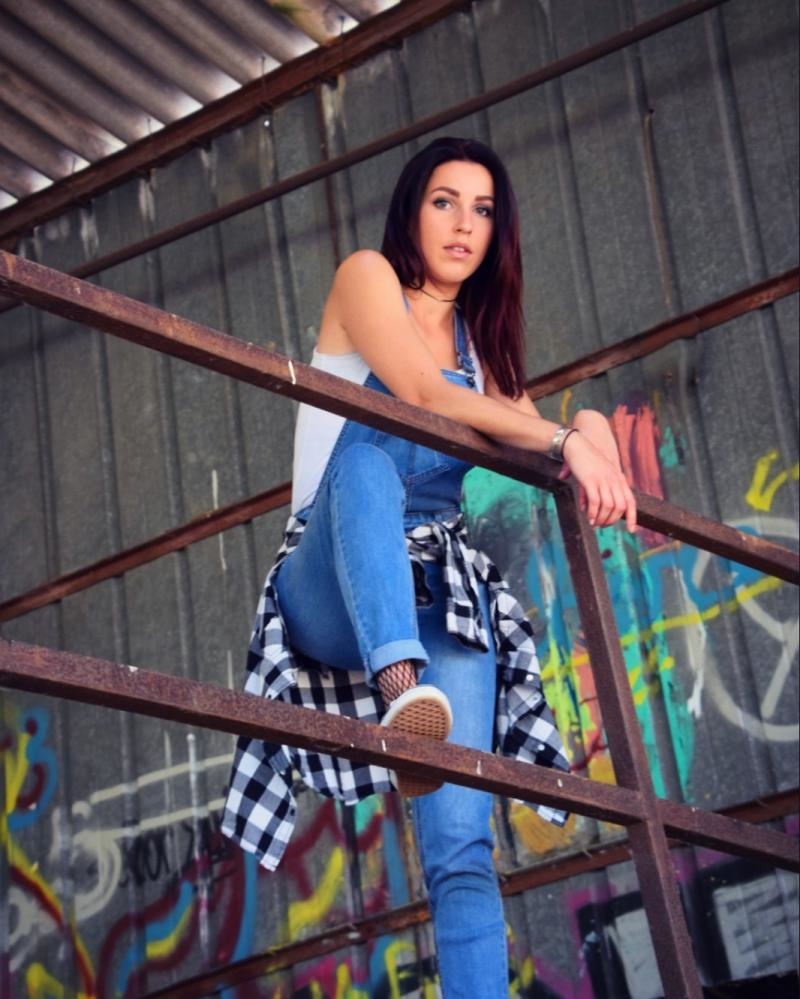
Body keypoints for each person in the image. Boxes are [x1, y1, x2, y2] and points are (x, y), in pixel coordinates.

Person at [223, 136, 637, 997]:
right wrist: (567, 437)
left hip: (435, 587)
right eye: (445, 201)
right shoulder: (366, 276)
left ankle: (419, 729)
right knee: (367, 465)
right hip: (331, 575)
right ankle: (401, 690)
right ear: (412, 209)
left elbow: (536, 436)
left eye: (483, 210)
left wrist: (590, 430)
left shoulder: (481, 351)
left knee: (463, 849)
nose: (463, 224)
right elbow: (418, 391)